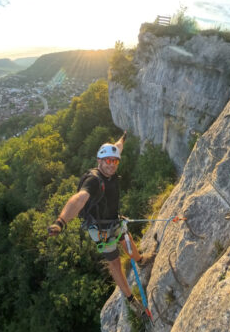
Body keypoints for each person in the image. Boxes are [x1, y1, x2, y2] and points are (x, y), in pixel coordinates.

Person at [47, 131, 154, 316]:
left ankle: (140, 260)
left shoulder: (110, 168)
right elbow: (78, 199)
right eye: (108, 161)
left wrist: (123, 138)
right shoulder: (94, 180)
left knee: (126, 238)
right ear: (99, 161)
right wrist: (61, 222)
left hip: (113, 219)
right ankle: (130, 300)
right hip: (101, 230)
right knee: (114, 264)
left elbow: (117, 147)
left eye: (115, 161)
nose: (112, 165)